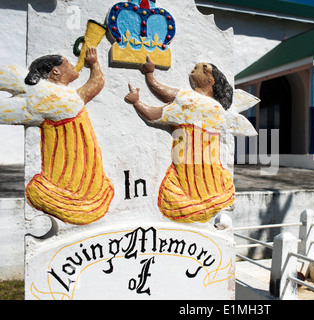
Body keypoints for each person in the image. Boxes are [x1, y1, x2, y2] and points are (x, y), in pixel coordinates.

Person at [125, 56, 256, 223]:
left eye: (203, 67)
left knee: (183, 194)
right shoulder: (210, 106)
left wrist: (138, 99)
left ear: (210, 79)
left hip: (190, 169)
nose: (196, 67)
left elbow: (155, 110)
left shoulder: (194, 101)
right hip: (205, 173)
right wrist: (148, 77)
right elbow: (162, 97)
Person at [0, 48, 114, 225]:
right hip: (72, 181)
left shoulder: (55, 95)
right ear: (56, 71)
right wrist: (94, 64)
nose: (72, 64)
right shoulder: (58, 97)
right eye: (67, 63)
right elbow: (96, 85)